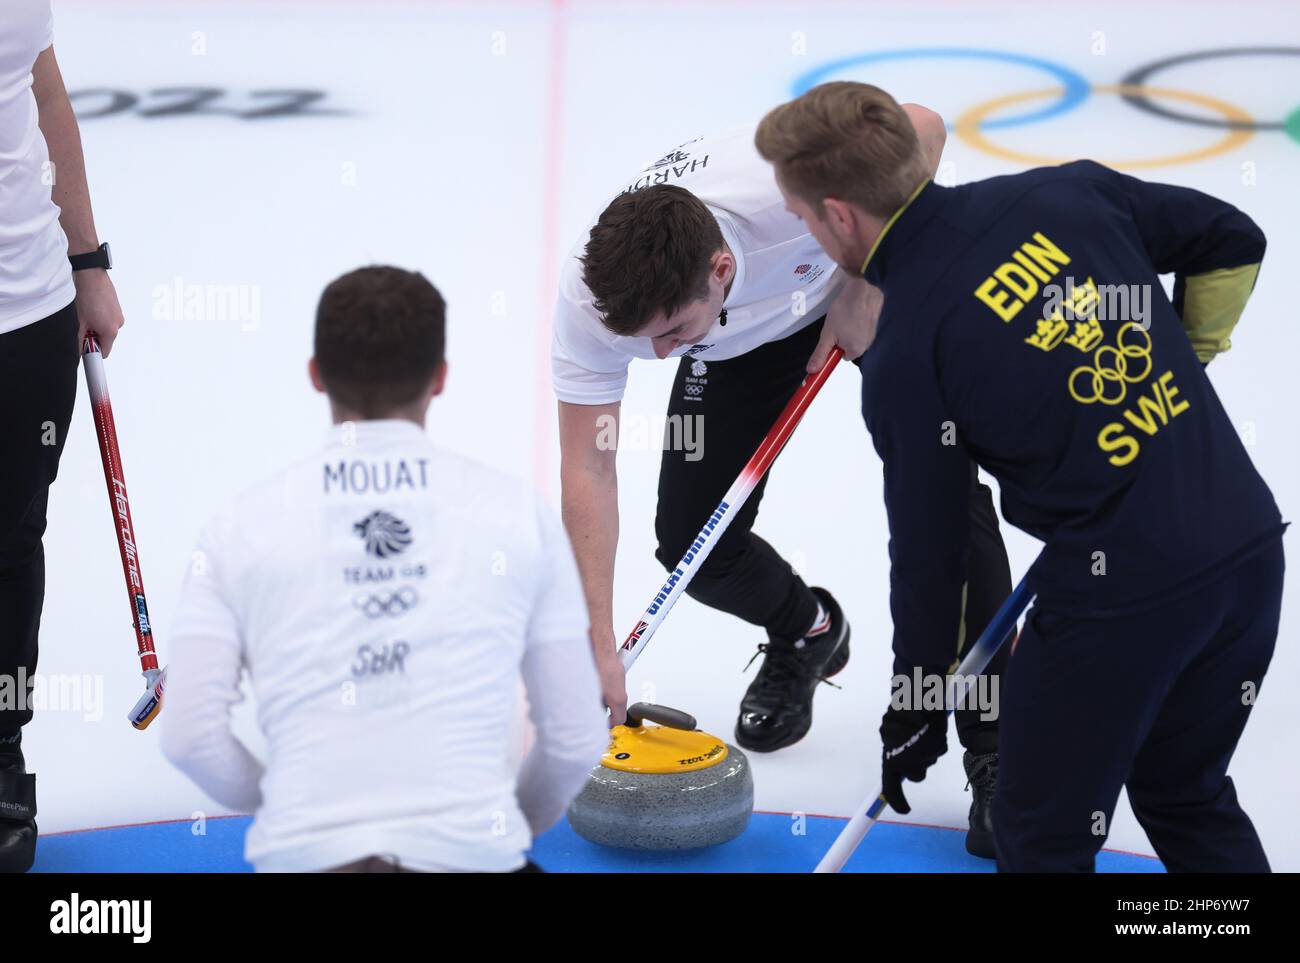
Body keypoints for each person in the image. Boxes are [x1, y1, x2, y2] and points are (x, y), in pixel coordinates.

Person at [756, 81, 1286, 872]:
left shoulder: (907, 353)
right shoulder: (1065, 192)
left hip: (1121, 604)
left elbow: (936, 560)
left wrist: (916, 709)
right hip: (1246, 550)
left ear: (839, 213)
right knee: (1186, 794)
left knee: (1041, 835)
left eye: (800, 214)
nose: (805, 229)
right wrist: (1186, 362)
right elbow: (1234, 236)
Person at [553, 115, 1015, 851]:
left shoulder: (789, 178)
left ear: (721, 271)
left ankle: (1000, 753)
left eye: (670, 334)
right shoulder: (598, 299)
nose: (658, 356)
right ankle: (810, 631)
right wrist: (596, 637)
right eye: (643, 342)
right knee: (694, 547)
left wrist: (861, 281)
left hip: (869, 278)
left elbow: (924, 125)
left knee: (948, 506)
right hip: (742, 338)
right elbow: (590, 463)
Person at [162, 267, 607, 873]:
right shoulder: (513, 513)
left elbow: (188, 735)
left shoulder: (239, 526)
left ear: (316, 374)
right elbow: (576, 739)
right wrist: (497, 830)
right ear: (440, 378)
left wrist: (295, 808)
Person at [0, 0, 126, 874]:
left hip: (27, 303)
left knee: (10, 545)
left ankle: (1, 752)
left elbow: (43, 89)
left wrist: (87, 260)